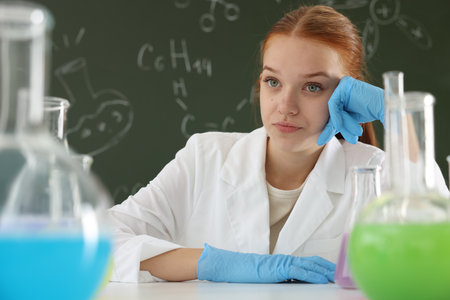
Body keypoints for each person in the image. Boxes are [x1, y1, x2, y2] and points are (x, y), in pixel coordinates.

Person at [107, 5, 448, 284]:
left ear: (348, 94)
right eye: (273, 82)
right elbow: (100, 242)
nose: (285, 105)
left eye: (313, 87)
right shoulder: (205, 157)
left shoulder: (376, 173)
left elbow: (440, 250)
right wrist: (208, 264)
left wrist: (397, 112)